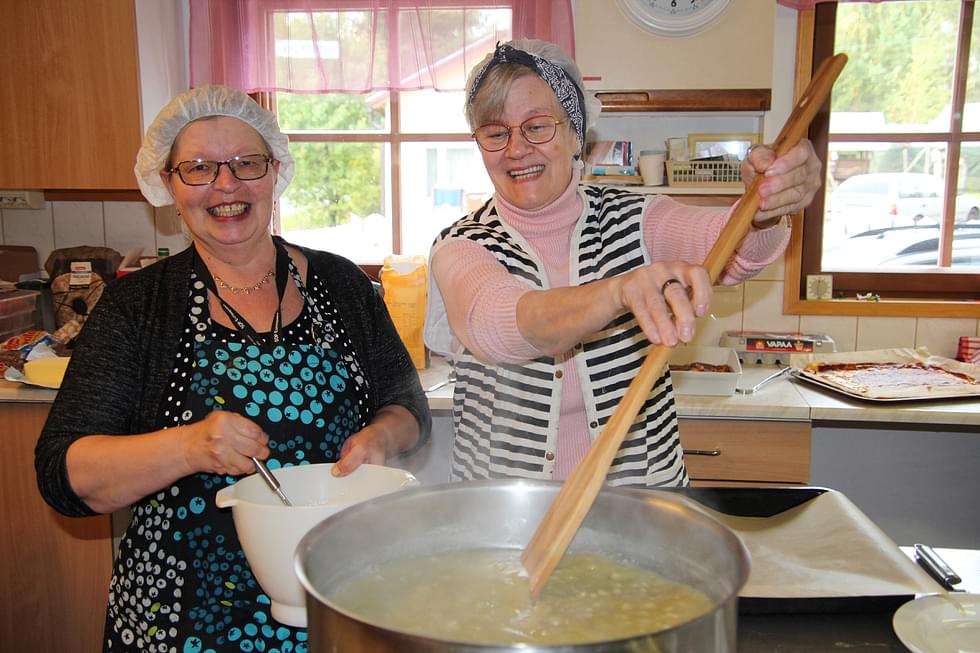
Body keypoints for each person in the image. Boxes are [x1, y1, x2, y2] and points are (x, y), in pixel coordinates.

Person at [35, 85, 431, 652]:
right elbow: (63, 474)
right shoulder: (137, 307)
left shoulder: (343, 285)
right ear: (168, 185)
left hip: (340, 599)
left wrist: (382, 437)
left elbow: (408, 405)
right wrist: (188, 447)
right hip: (182, 619)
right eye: (198, 168)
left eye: (246, 163)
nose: (226, 185)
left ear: (275, 172)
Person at [424, 40, 821, 486]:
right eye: (496, 133)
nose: (516, 149)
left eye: (537, 126)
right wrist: (617, 291)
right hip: (503, 514)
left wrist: (764, 209)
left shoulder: (635, 218)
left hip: (643, 503)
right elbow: (500, 326)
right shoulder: (461, 244)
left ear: (577, 135)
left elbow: (730, 252)